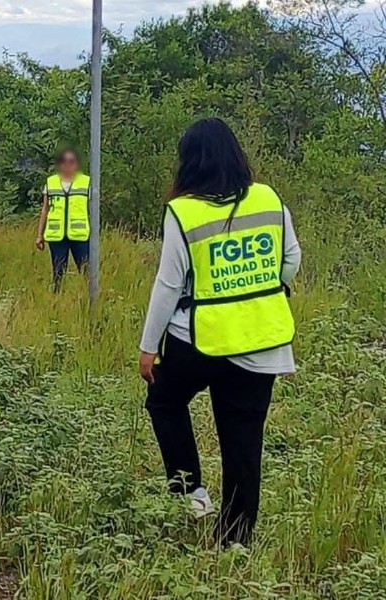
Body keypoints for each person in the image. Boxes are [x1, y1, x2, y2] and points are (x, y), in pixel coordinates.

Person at [139, 117, 301, 548]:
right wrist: (261, 289)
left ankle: (191, 492)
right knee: (243, 442)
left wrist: (148, 347)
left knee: (164, 400)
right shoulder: (268, 200)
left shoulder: (184, 211)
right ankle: (235, 541)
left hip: (198, 341)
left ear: (189, 163)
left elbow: (168, 283)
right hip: (260, 340)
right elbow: (292, 258)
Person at [35, 148, 91, 292]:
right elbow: (45, 209)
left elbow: (94, 209)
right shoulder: (51, 182)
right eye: (64, 162)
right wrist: (39, 235)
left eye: (71, 162)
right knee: (58, 272)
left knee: (86, 272)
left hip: (80, 236)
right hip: (57, 236)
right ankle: (57, 300)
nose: (67, 165)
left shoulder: (86, 182)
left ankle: (89, 300)